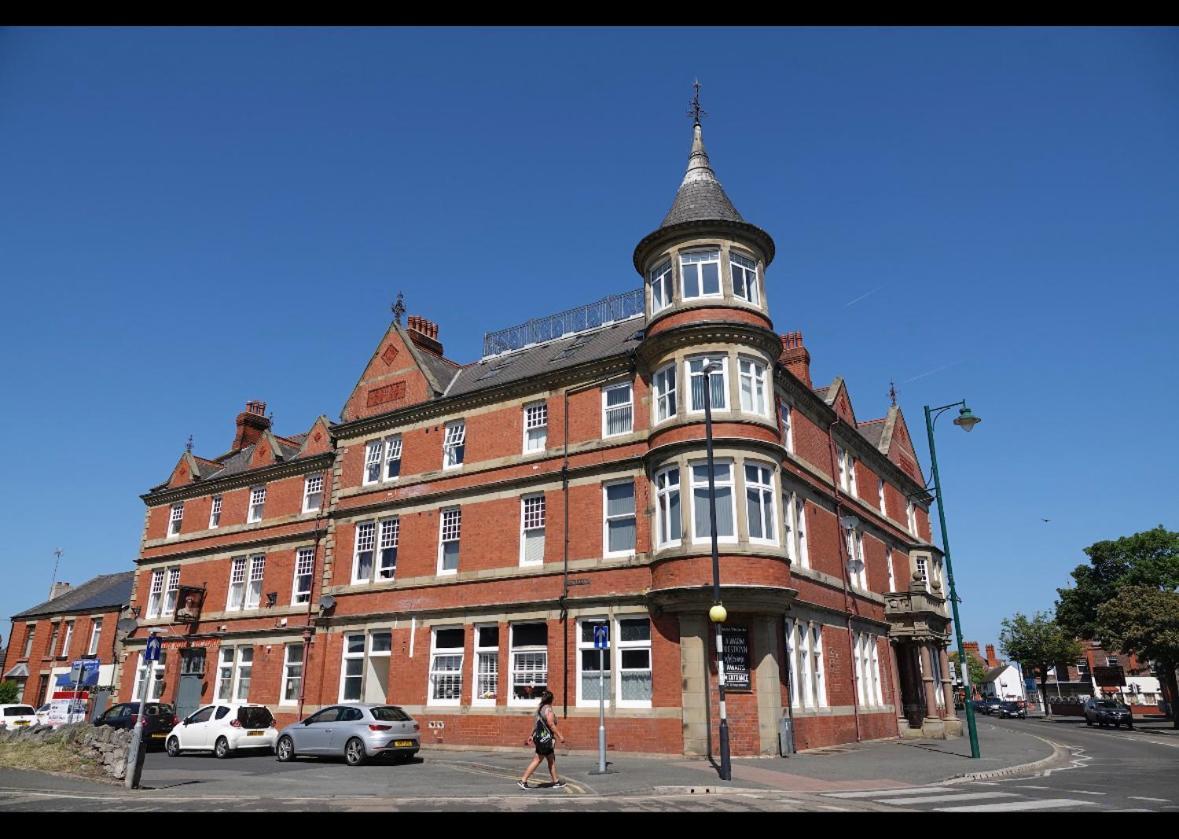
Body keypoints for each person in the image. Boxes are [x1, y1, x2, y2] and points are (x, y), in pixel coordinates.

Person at [518, 689, 566, 789]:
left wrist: (531, 736)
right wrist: (560, 735)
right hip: (545, 740)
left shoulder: (540, 709)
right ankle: (523, 780)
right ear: (551, 699)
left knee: (550, 759)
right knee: (537, 760)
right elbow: (551, 724)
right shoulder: (548, 709)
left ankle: (556, 781)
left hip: (541, 739)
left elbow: (535, 725)